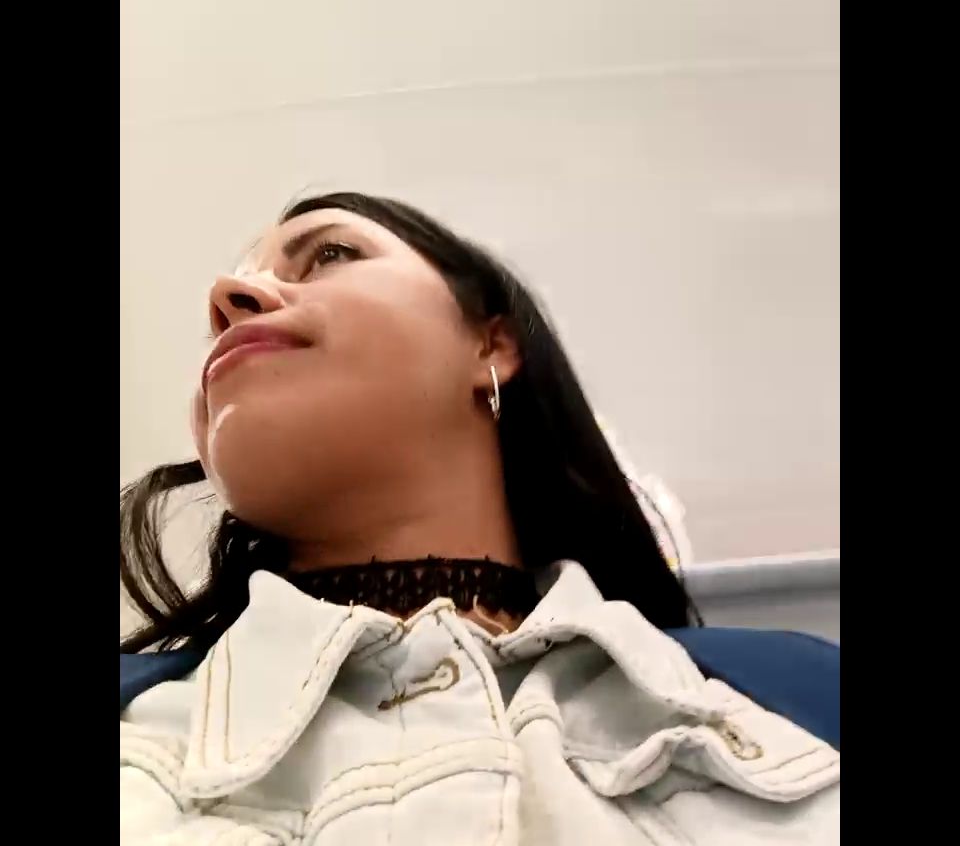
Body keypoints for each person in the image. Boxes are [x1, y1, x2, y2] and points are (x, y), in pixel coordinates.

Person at [120, 191, 839, 844]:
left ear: (490, 345)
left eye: (330, 254)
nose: (227, 299)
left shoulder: (803, 693)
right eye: (234, 288)